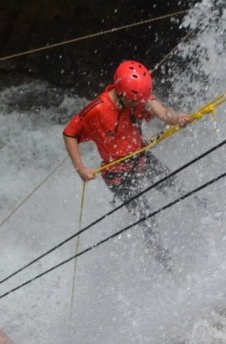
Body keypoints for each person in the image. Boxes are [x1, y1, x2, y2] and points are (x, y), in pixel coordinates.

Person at [63, 60, 193, 265]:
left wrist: (178, 118)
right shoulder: (97, 110)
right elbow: (70, 133)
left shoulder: (138, 96)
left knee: (177, 188)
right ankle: (166, 264)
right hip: (117, 175)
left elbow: (163, 113)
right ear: (122, 93)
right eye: (135, 101)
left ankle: (210, 215)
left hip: (141, 159)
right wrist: (80, 168)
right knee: (147, 218)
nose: (140, 104)